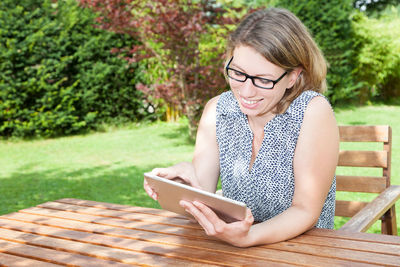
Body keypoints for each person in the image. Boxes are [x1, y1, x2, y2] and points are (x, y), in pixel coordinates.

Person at [144, 7, 339, 247]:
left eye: (264, 80)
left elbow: (305, 210)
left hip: (303, 251)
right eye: (238, 73)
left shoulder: (312, 111)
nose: (246, 92)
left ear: (293, 76)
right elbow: (201, 196)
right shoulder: (217, 110)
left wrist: (249, 237)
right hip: (235, 251)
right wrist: (180, 183)